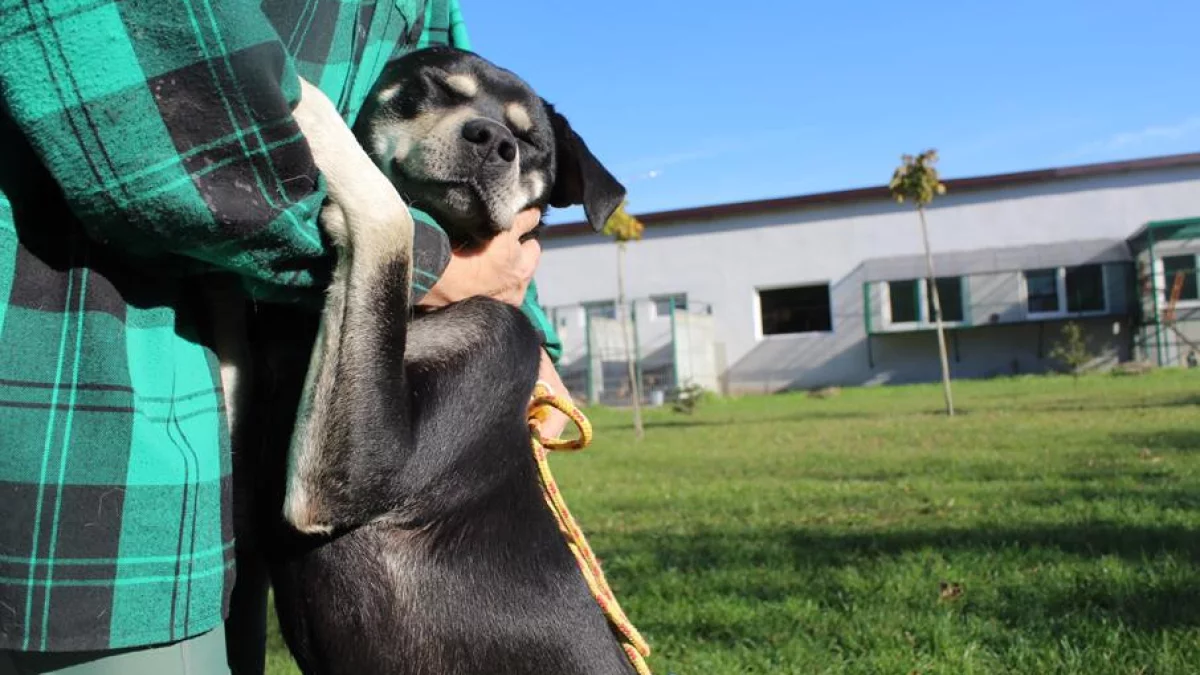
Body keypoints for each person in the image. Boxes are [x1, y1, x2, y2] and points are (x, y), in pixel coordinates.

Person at [0, 1, 570, 673]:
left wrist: (517, 321)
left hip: (244, 465)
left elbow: (488, 215)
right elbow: (159, 114)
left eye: (517, 144)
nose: (490, 139)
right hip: (92, 416)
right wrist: (423, 262)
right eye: (442, 101)